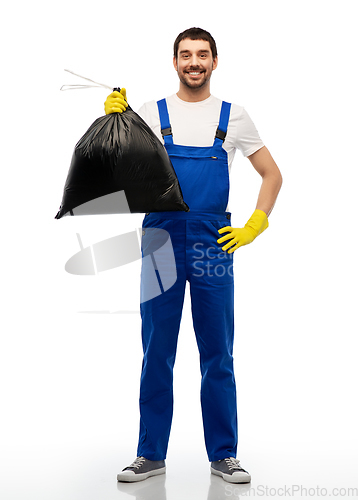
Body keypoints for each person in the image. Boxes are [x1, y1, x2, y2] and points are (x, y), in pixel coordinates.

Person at [105, 27, 282, 484]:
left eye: (202, 55)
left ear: (214, 62)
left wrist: (254, 225)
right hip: (161, 242)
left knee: (217, 353)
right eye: (186, 55)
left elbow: (271, 175)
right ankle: (150, 454)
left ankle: (225, 455)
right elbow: (119, 176)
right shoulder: (150, 113)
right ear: (175, 62)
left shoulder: (233, 115)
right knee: (156, 350)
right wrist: (116, 125)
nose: (194, 63)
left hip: (214, 244)